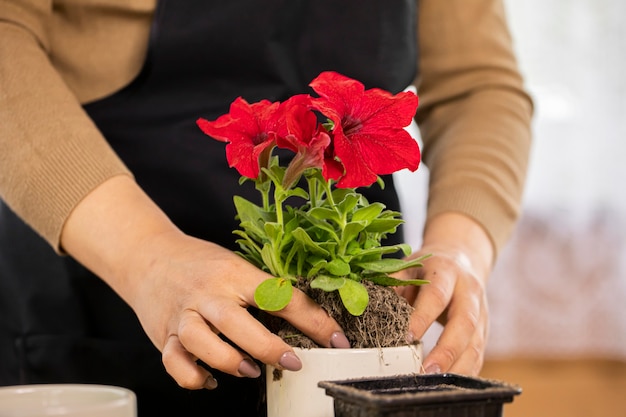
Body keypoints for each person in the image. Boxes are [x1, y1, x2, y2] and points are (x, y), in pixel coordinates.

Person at [0, 0, 533, 415]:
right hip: (104, 261)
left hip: (346, 280)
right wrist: (148, 257)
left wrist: (460, 247)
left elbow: (477, 84)